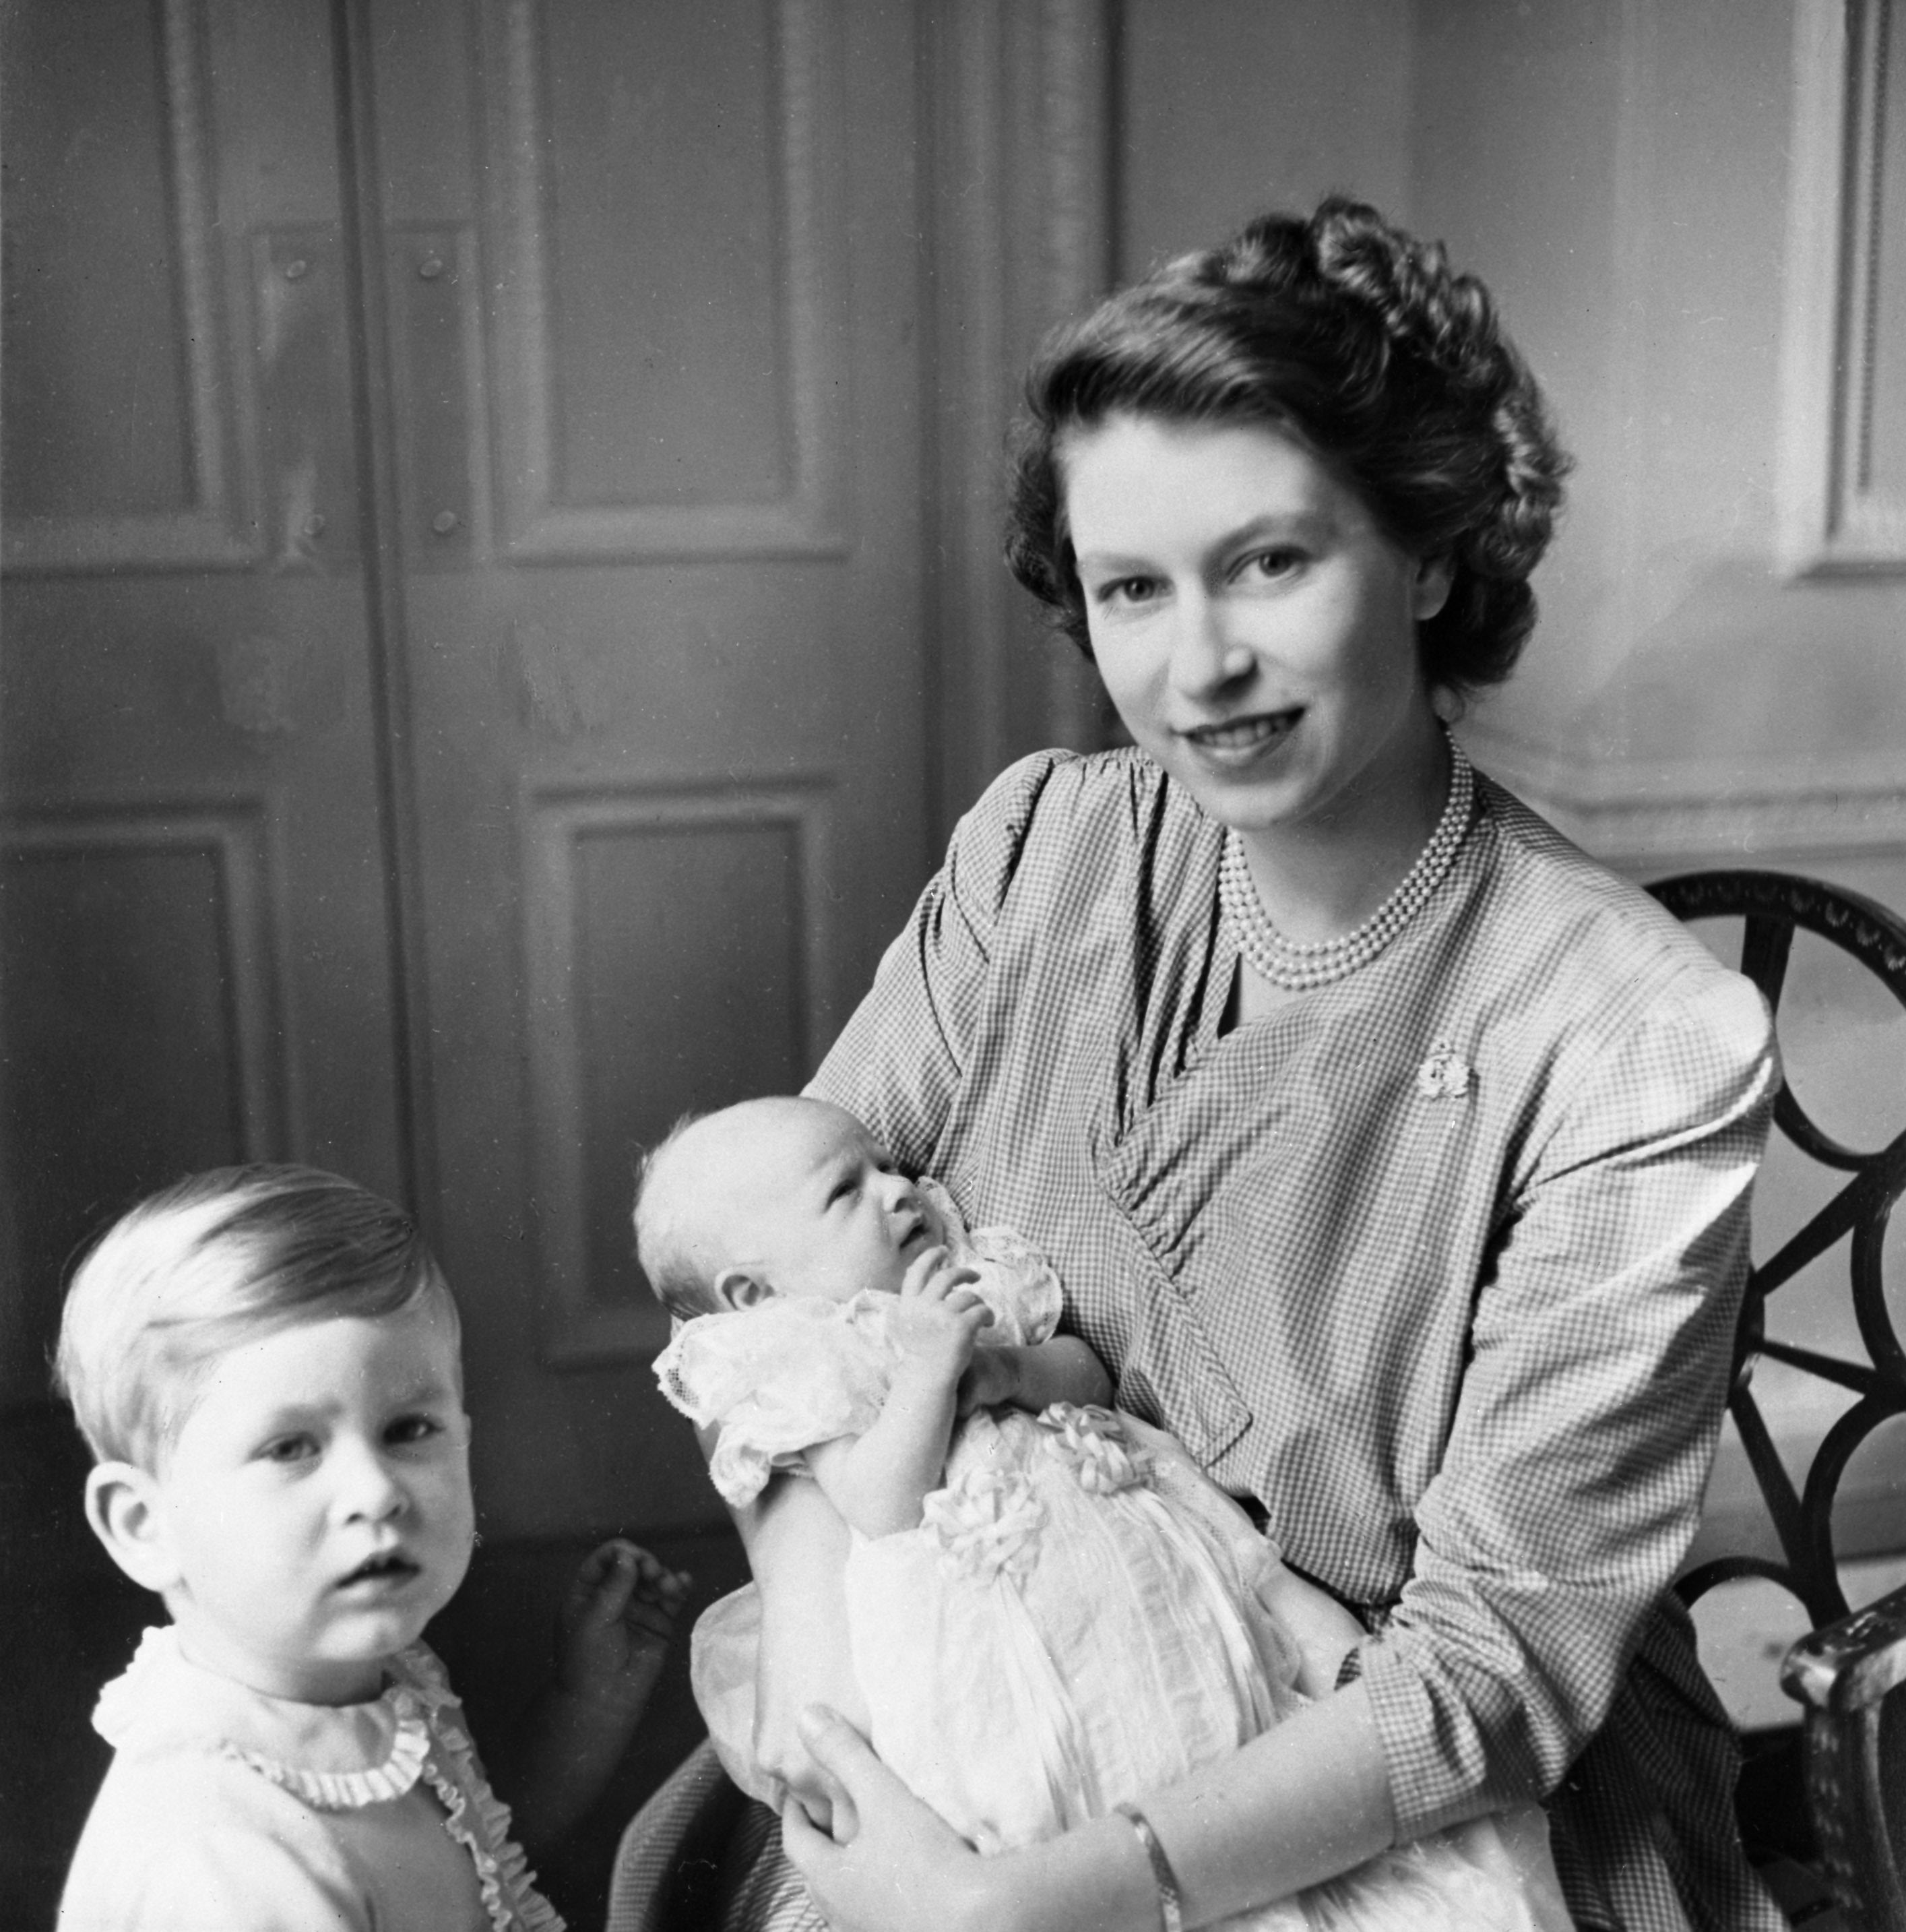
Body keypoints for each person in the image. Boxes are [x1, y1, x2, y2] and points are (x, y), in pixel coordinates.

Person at [720, 196, 1783, 1932]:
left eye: (1269, 561)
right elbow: (765, 1304)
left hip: (1407, 1805)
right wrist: (838, 1692)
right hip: (987, 1696)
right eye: (1131, 587)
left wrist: (1037, 1901)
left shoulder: (1633, 1039)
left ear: (1431, 552)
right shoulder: (1038, 851)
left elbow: (1489, 1675)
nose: (1194, 663)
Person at [640, 1094, 1572, 1931]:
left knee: (1226, 1715)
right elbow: (880, 1503)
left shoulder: (967, 1274)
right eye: (848, 1189)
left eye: (888, 1162)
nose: (899, 1187)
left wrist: (1009, 1368)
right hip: (984, 1640)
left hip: (1129, 1575)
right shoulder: (812, 1357)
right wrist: (925, 1373)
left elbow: (1084, 1373)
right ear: (753, 1296)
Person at [53, 1162, 691, 1931]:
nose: (376, 1490)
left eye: (408, 1429)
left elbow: (469, 1863)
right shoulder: (224, 1863)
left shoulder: (355, 1681)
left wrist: (586, 1704)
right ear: (144, 1524)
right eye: (291, 1447)